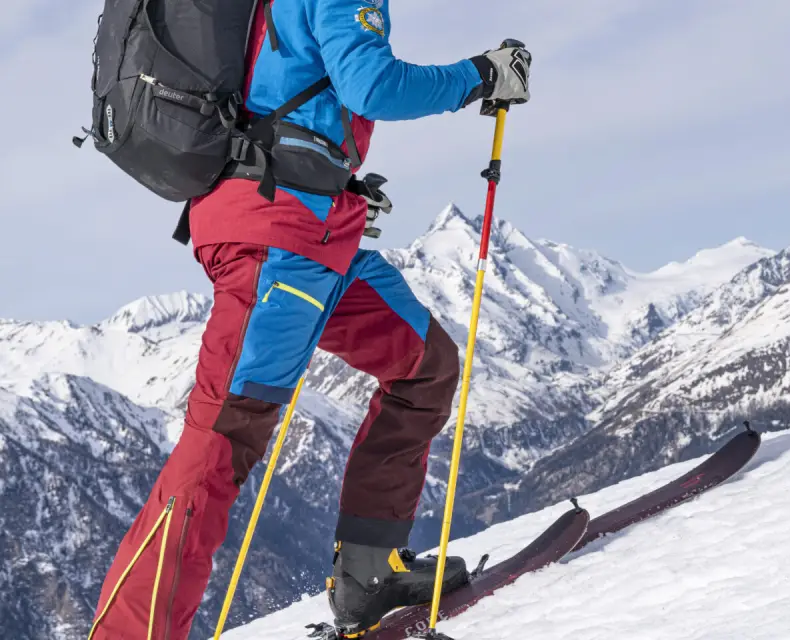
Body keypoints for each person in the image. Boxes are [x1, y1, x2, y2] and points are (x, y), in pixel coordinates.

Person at [86, 1, 531, 638]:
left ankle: (370, 575)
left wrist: (332, 182)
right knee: (221, 439)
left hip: (310, 232)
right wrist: (481, 76)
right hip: (280, 243)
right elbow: (373, 86)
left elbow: (281, 94)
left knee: (424, 366)